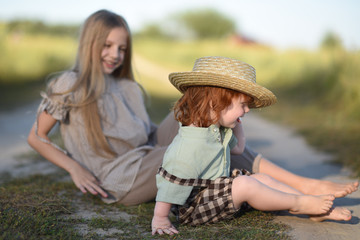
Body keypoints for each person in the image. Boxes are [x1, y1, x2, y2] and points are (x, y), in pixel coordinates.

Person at [28, 9, 358, 207]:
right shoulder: (69, 84)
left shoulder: (127, 86)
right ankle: (300, 196)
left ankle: (304, 187)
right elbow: (37, 137)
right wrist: (73, 167)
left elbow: (153, 136)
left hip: (148, 152)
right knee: (200, 139)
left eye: (122, 48)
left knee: (204, 113)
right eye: (107, 45)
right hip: (122, 176)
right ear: (90, 43)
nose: (115, 54)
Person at [151, 56, 354, 236]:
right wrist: (160, 217)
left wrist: (236, 124)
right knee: (245, 184)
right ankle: (300, 204)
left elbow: (238, 149)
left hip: (215, 191)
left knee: (262, 178)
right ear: (216, 103)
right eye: (243, 104)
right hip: (194, 207)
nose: (247, 110)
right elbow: (172, 179)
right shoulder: (191, 142)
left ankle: (312, 207)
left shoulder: (214, 130)